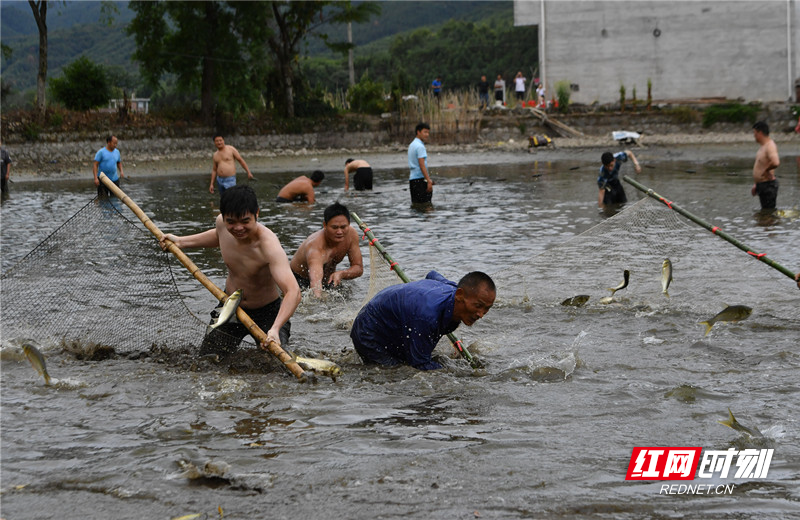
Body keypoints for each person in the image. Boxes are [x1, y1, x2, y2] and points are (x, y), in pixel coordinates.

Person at [159, 185, 301, 357]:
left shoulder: (268, 246)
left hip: (267, 313)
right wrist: (181, 242)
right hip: (231, 306)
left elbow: (293, 291)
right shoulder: (222, 224)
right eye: (231, 222)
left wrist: (275, 329)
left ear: (257, 214)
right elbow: (218, 235)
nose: (238, 228)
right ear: (224, 217)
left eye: (245, 221)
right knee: (208, 360)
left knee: (277, 364)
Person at [350, 271, 496, 370]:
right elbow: (419, 365)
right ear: (459, 295)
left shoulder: (452, 288)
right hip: (368, 330)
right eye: (478, 306)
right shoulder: (427, 317)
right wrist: (457, 373)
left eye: (487, 308)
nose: (481, 314)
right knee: (397, 371)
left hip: (398, 319)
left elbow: (432, 275)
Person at [290, 202, 364, 298]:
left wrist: (342, 273)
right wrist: (318, 301)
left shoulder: (351, 235)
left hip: (328, 279)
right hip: (300, 279)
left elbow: (358, 268)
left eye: (343, 227)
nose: (339, 232)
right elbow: (315, 284)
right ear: (325, 225)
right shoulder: (316, 246)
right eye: (334, 227)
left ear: (348, 225)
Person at [751, 121, 780, 210]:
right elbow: (760, 165)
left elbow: (775, 162)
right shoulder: (763, 146)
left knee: (768, 213)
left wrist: (766, 170)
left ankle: (771, 223)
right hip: (762, 184)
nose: (754, 136)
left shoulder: (770, 146)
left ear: (760, 133)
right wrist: (756, 183)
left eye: (754, 133)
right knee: (765, 212)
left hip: (768, 185)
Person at [408, 123, 433, 204]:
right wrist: (428, 181)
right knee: (426, 206)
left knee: (416, 206)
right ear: (418, 132)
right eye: (425, 132)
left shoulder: (412, 145)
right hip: (420, 180)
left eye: (428, 132)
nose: (427, 135)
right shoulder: (420, 146)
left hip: (413, 180)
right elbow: (422, 165)